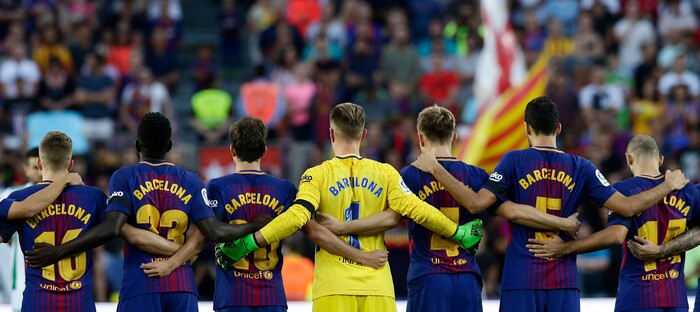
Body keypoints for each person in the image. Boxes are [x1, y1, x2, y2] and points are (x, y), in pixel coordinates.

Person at [410, 96, 689, 312]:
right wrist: (666, 185)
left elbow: (477, 203)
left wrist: (435, 168)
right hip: (564, 281)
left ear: (526, 128)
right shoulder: (582, 166)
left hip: (520, 279)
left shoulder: (513, 161)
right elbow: (627, 207)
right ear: (558, 127)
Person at [217, 103, 484, 312]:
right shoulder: (386, 173)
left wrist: (249, 242)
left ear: (331, 134)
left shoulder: (316, 175)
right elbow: (417, 208)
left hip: (334, 287)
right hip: (378, 285)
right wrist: (458, 233)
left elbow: (298, 216)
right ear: (364, 135)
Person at [315, 105, 580, 312]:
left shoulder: (410, 174)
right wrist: (563, 223)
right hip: (467, 277)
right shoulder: (477, 175)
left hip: (428, 277)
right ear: (454, 137)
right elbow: (508, 211)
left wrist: (342, 227)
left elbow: (392, 219)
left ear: (419, 138)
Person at [139, 116, 388, 312]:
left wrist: (176, 260)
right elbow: (315, 233)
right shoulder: (285, 189)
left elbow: (203, 235)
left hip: (231, 296)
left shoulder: (217, 186)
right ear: (265, 151)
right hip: (272, 294)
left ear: (232, 150)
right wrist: (357, 252)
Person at [25, 113, 270, 312]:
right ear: (170, 146)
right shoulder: (192, 181)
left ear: (137, 145)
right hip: (182, 286)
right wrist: (252, 226)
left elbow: (113, 227)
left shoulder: (125, 177)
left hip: (140, 283)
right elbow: (213, 231)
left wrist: (57, 252)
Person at [0, 131, 177, 311]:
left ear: (39, 163)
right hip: (79, 303)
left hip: (37, 301)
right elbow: (130, 234)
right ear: (71, 164)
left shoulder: (18, 199)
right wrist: (179, 251)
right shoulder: (94, 198)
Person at [527, 134, 698, 312]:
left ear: (629, 158)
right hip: (676, 299)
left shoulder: (623, 190)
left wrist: (565, 248)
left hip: (637, 297)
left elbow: (616, 236)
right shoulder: (686, 190)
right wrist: (663, 250)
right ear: (661, 160)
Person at [0, 148, 40, 311]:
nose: (40, 172)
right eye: (35, 168)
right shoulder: (11, 195)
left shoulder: (63, 196)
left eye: (42, 167)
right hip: (21, 281)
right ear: (25, 168)